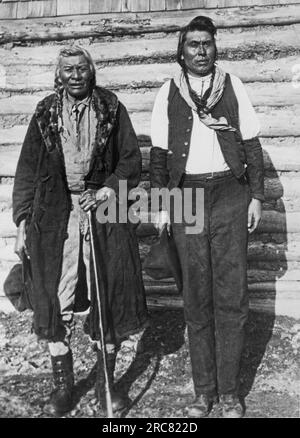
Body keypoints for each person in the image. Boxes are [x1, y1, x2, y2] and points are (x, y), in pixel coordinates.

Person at [13, 45, 148, 416]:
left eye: (81, 69)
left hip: (103, 210)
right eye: (68, 69)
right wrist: (23, 221)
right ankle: (63, 387)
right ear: (60, 75)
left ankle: (108, 382)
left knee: (109, 287)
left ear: (91, 72)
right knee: (56, 293)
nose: (75, 75)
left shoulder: (110, 108)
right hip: (56, 214)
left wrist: (106, 189)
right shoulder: (45, 112)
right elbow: (27, 170)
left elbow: (131, 160)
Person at [150, 16, 264, 418]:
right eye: (193, 45)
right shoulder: (169, 92)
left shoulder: (233, 87)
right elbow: (159, 157)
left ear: (216, 48)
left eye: (207, 44)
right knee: (197, 295)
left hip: (231, 195)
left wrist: (255, 197)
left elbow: (251, 145)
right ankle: (204, 393)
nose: (201, 51)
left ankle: (230, 394)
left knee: (232, 295)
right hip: (187, 196)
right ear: (181, 51)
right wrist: (164, 205)